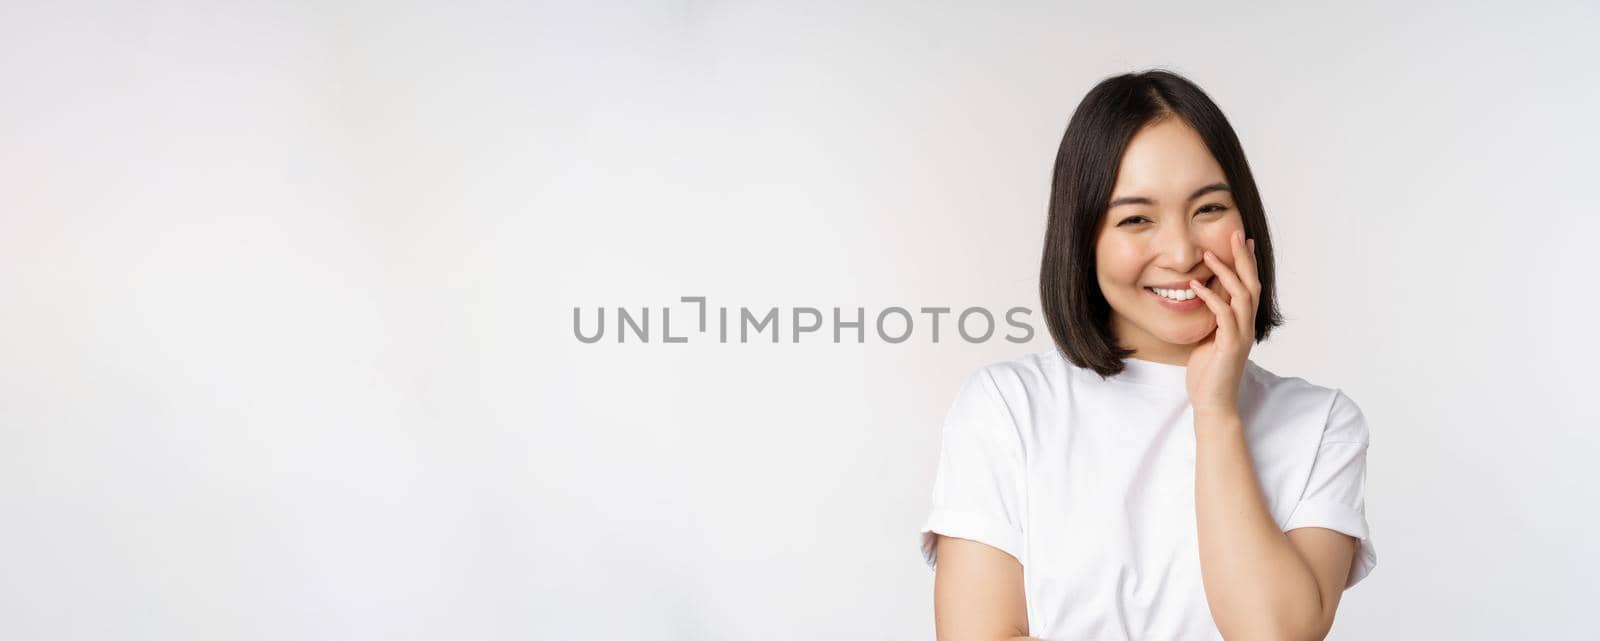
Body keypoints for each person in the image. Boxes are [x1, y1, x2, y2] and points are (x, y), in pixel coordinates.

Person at [918, 69, 1377, 641]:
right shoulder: (1008, 408)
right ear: (1084, 237)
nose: (1183, 253)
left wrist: (1216, 413)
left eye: (1209, 209)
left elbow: (1274, 635)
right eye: (1136, 218)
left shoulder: (1321, 424)